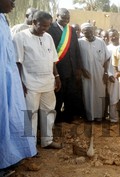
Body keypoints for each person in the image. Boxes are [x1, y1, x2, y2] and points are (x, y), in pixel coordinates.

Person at [13, 11, 62, 149]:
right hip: (30, 83)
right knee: (30, 114)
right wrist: (20, 83)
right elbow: (18, 62)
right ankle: (29, 145)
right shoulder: (20, 37)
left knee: (49, 111)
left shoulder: (48, 37)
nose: (45, 29)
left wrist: (57, 77)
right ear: (34, 22)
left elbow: (53, 59)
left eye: (48, 26)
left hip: (48, 82)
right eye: (43, 26)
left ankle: (47, 141)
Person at [0, 0, 37, 174]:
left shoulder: (3, 19)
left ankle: (9, 157)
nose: (14, 4)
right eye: (11, 0)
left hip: (8, 79)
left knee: (12, 116)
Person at [47, 8, 86, 123]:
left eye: (68, 18)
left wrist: (79, 67)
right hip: (58, 68)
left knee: (71, 94)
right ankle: (57, 118)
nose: (66, 20)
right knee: (58, 94)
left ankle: (68, 116)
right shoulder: (50, 29)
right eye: (63, 17)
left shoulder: (71, 30)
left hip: (72, 68)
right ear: (57, 16)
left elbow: (76, 50)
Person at [78, 23, 110, 121]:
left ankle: (99, 116)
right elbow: (77, 58)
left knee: (100, 94)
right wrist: (83, 70)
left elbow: (107, 58)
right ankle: (89, 117)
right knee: (87, 95)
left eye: (91, 31)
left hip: (100, 74)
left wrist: (105, 73)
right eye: (86, 32)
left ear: (93, 31)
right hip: (86, 74)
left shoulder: (100, 42)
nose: (89, 33)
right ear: (82, 32)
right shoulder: (79, 42)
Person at [107, 29, 120, 124]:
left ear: (118, 35)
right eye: (111, 36)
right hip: (112, 77)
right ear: (109, 37)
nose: (114, 37)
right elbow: (105, 63)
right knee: (113, 99)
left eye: (115, 35)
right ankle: (113, 119)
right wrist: (109, 74)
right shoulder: (107, 48)